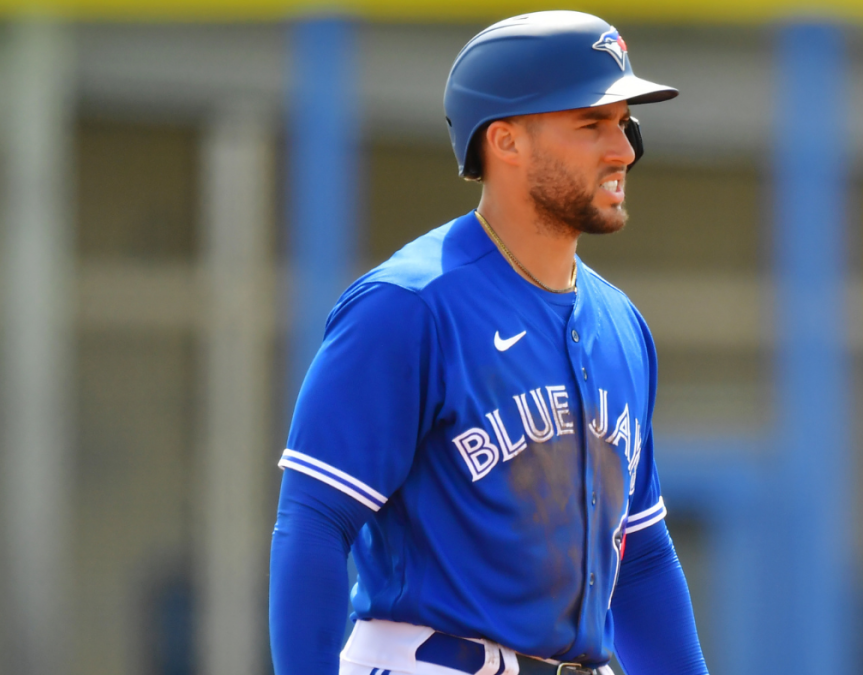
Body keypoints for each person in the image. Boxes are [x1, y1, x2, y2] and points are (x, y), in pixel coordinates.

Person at [269, 11, 709, 675]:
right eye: (592, 124)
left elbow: (642, 557)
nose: (623, 150)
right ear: (505, 141)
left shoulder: (621, 323)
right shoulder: (409, 306)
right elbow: (314, 519)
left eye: (624, 123)